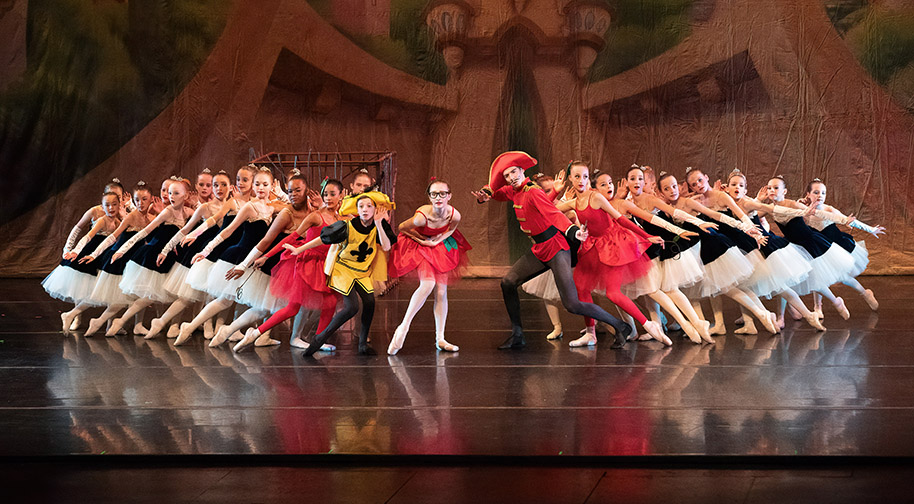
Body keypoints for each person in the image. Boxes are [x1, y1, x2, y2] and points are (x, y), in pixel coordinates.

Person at [471, 151, 634, 350]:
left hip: (556, 248)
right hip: (539, 248)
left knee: (572, 304)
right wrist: (484, 195)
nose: (511, 178)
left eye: (514, 172)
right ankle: (517, 334)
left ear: (523, 170)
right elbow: (496, 193)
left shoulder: (533, 192)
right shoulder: (514, 191)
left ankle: (620, 325)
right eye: (507, 176)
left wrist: (573, 231)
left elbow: (554, 214)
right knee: (508, 282)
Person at [554, 162, 671, 347]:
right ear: (570, 179)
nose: (581, 181)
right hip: (592, 246)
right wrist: (555, 192)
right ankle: (590, 333)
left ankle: (649, 325)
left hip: (612, 244)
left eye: (585, 176)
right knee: (581, 287)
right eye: (576, 177)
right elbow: (548, 211)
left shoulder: (597, 198)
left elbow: (621, 219)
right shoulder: (573, 202)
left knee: (613, 293)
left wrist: (647, 236)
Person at [284, 191, 397, 356]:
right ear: (357, 209)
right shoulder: (347, 225)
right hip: (343, 269)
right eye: (361, 206)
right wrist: (299, 249)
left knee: (370, 302)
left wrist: (379, 224)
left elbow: (386, 247)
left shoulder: (378, 227)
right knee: (352, 307)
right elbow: (323, 238)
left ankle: (362, 345)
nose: (365, 210)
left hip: (362, 271)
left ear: (375, 209)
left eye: (369, 206)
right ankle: (319, 339)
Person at [387, 178, 471, 354]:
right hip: (418, 243)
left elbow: (451, 230)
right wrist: (424, 241)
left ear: (449, 196)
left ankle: (440, 338)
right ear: (429, 197)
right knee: (427, 284)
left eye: (442, 193)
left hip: (437, 245)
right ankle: (403, 327)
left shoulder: (454, 214)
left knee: (441, 291)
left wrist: (437, 241)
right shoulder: (421, 217)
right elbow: (402, 228)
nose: (438, 197)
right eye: (434, 194)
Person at [802, 179, 885, 314]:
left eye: (823, 193)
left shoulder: (829, 209)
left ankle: (865, 293)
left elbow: (849, 220)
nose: (820, 196)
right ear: (808, 194)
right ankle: (818, 307)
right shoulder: (804, 211)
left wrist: (870, 229)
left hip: (835, 247)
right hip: (818, 249)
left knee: (843, 278)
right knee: (818, 277)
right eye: (816, 192)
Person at [45, 191, 122, 333]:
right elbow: (86, 235)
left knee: (111, 288)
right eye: (107, 205)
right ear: (102, 205)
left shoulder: (119, 221)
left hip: (105, 254)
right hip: (91, 252)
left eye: (115, 204)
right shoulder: (100, 218)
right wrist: (72, 250)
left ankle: (109, 324)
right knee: (84, 286)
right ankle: (75, 316)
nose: (111, 207)